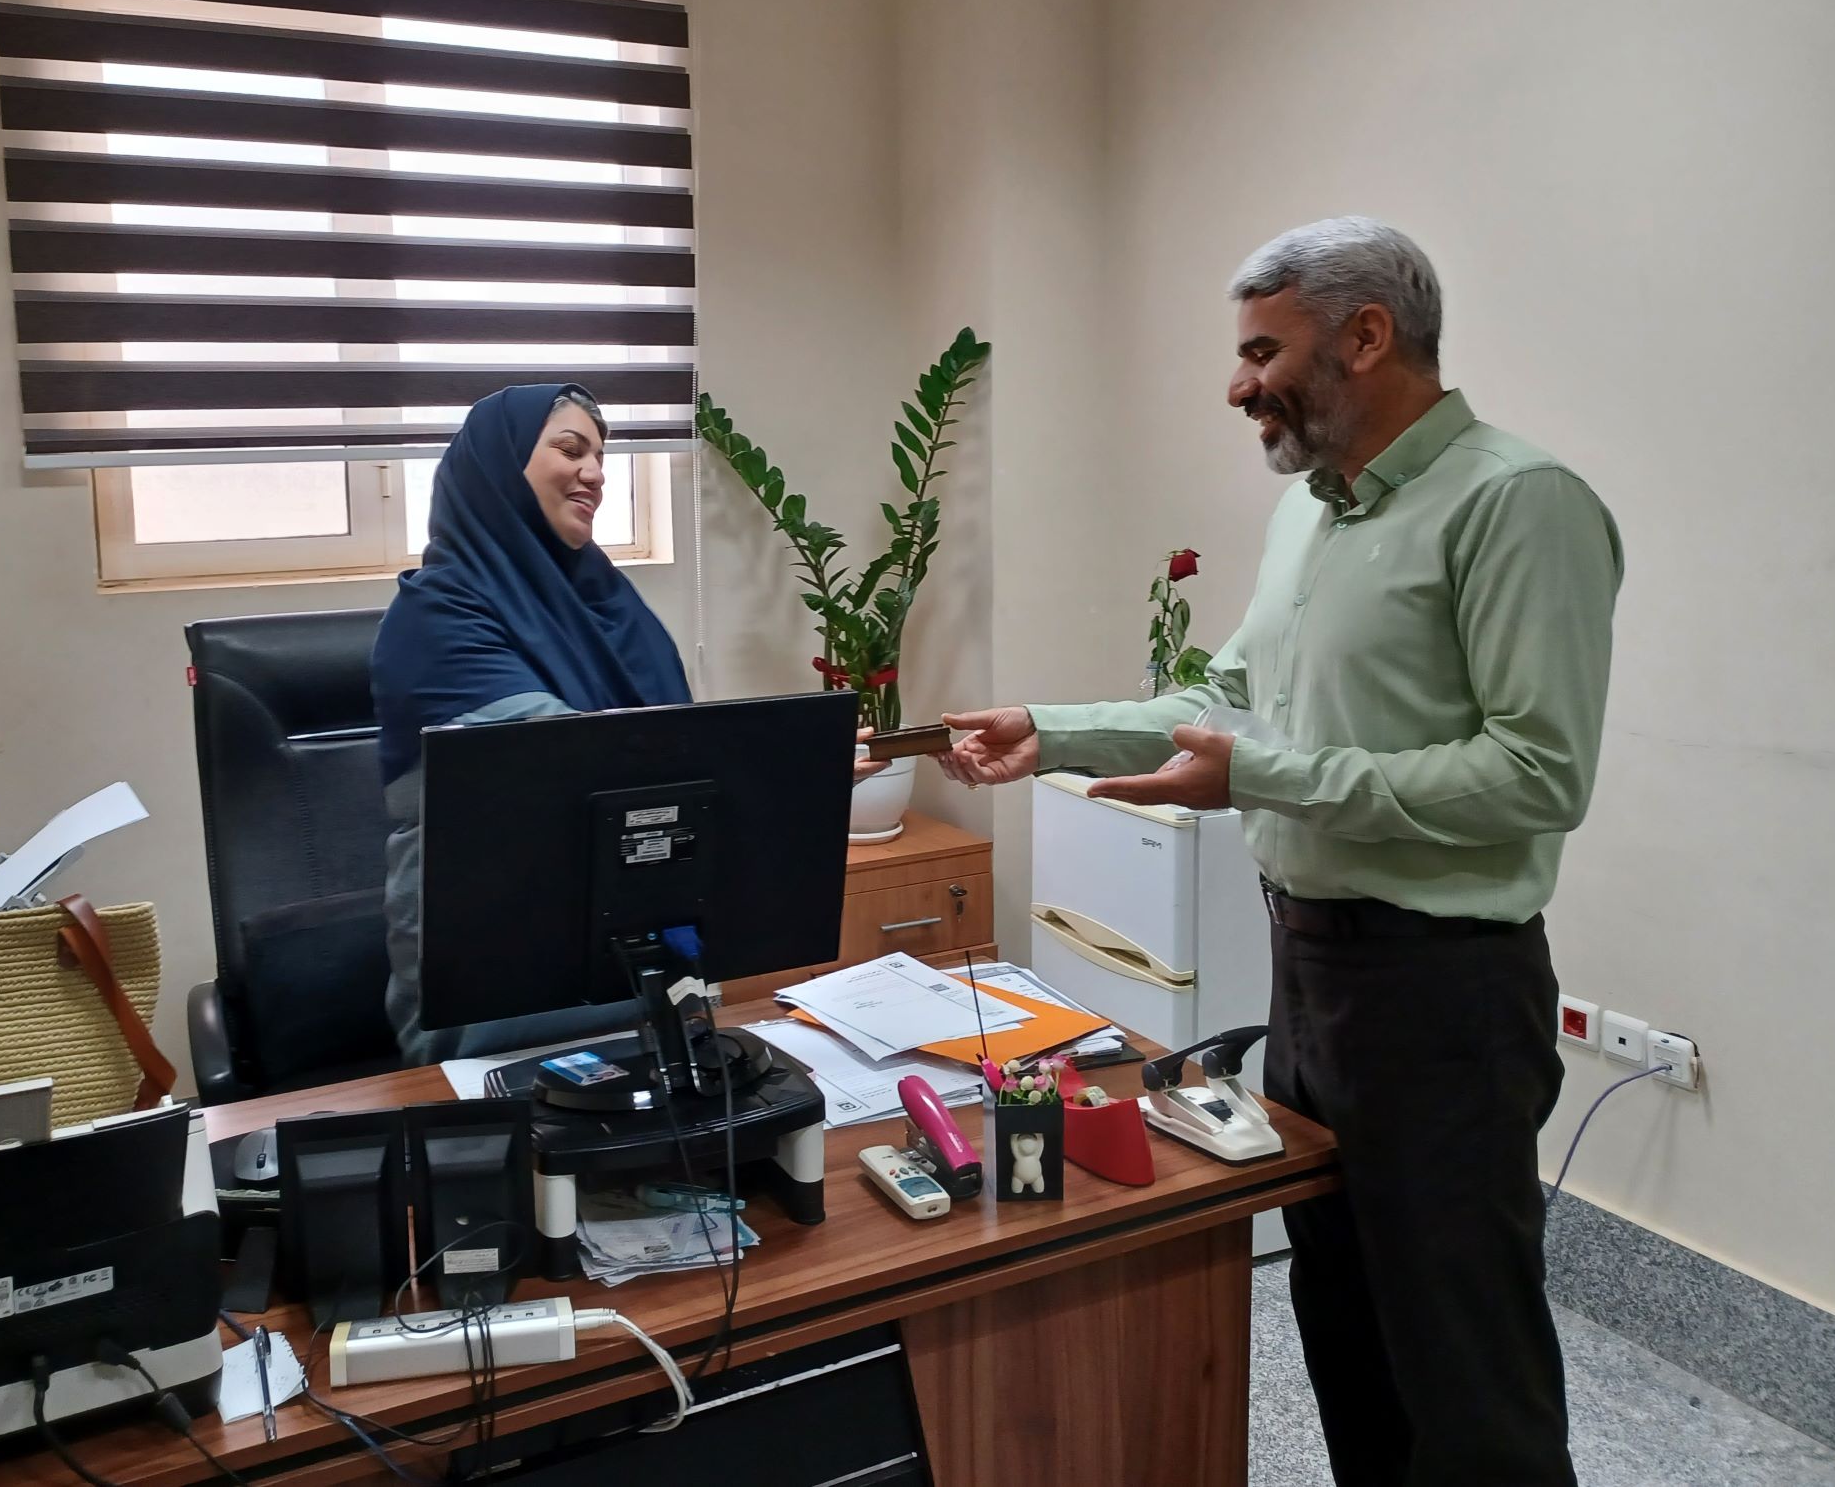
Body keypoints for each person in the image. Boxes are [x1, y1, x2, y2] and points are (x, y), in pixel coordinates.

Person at [940, 218, 1620, 1487]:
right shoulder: (1311, 515)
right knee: (1346, 1339)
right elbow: (1229, 698)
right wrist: (1051, 729)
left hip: (1443, 995)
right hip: (1308, 979)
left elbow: (1537, 774)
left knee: (1467, 1378)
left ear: (1365, 337)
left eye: (1262, 351)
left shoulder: (1516, 503)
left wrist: (1262, 776)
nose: (1236, 385)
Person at [372, 382, 873, 1066]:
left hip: (648, 953)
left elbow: (680, 779)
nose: (594, 473)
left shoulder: (612, 605)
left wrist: (798, 777)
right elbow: (566, 768)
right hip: (503, 969)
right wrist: (778, 769)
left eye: (600, 457)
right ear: (499, 466)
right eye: (570, 449)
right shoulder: (436, 615)